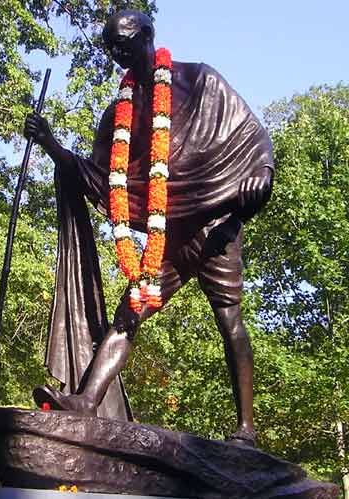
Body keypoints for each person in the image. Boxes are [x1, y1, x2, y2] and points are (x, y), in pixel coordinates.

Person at [24, 9, 274, 446]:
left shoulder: (199, 82)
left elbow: (253, 138)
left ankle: (247, 431)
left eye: (124, 41)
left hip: (215, 225)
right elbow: (99, 180)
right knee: (128, 316)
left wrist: (262, 174)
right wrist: (50, 145)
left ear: (148, 36)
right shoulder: (116, 115)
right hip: (169, 238)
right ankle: (86, 401)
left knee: (229, 320)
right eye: (110, 46)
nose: (117, 52)